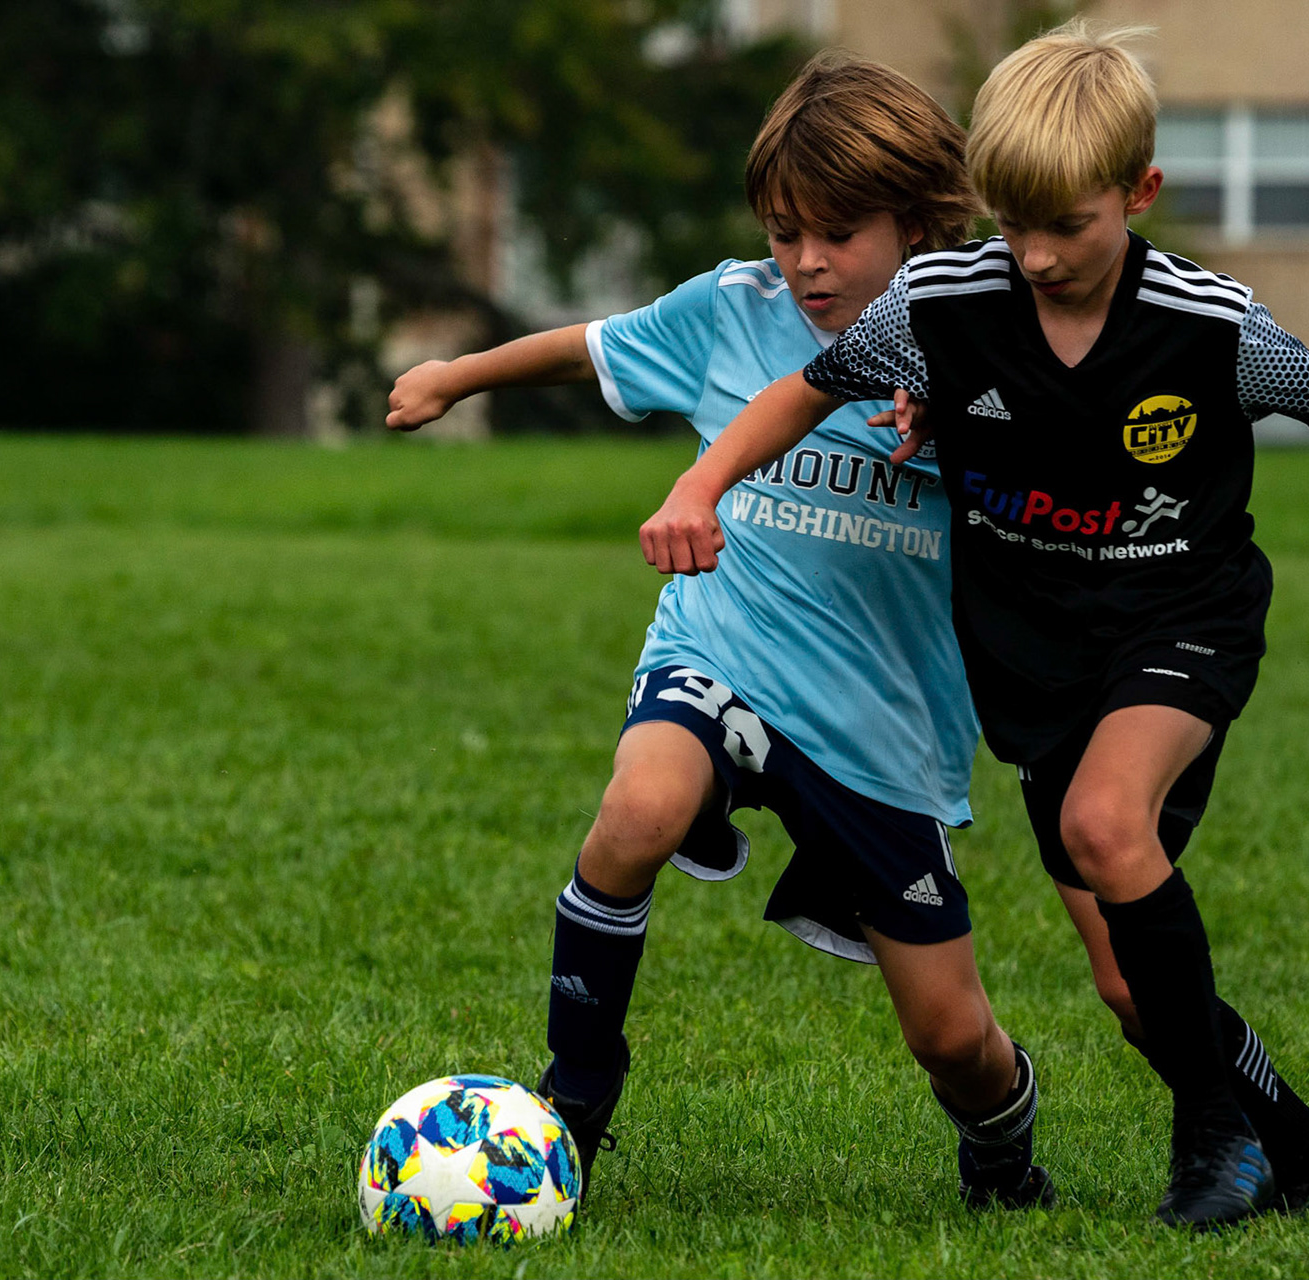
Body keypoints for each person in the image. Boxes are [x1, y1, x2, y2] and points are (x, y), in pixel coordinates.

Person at [636, 20, 1309, 1230]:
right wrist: (698, 486)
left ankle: (1210, 1133)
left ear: (1140, 192)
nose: (1041, 254)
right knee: (1127, 983)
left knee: (1106, 823)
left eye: (1070, 223)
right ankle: (1296, 1137)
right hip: (1040, 661)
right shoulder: (943, 304)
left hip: (1181, 620)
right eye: (1015, 225)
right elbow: (806, 389)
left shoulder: (1208, 327)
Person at [386, 53, 1055, 1210]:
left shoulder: (991, 349)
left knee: (953, 1038)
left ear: (922, 220)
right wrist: (456, 374)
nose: (805, 260)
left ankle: (1001, 1148)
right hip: (721, 649)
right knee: (637, 809)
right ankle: (575, 1105)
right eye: (787, 230)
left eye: (839, 233)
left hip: (880, 729)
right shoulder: (731, 311)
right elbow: (586, 344)